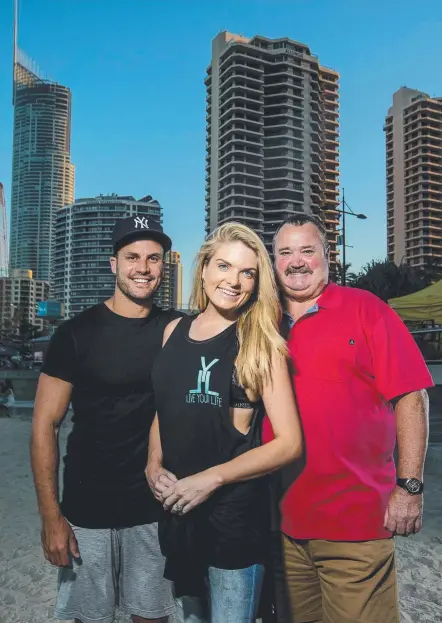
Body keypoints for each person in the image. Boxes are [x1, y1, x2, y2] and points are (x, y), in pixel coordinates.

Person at [264, 213, 434, 623]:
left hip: (356, 523)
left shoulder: (366, 309)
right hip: (279, 525)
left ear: (327, 256)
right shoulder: (262, 324)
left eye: (307, 250)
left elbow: (412, 396)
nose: (297, 261)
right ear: (273, 262)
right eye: (285, 252)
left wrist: (409, 486)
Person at [146, 222, 303, 623]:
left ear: (256, 282)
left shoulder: (258, 341)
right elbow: (165, 408)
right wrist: (153, 463)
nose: (233, 281)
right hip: (179, 513)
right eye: (224, 266)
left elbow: (288, 443)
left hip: (232, 520)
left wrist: (211, 479)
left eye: (247, 272)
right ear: (203, 270)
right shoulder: (172, 331)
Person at [30, 216, 182, 623]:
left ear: (163, 266)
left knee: (152, 616)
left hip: (154, 507)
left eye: (153, 258)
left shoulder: (176, 330)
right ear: (114, 264)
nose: (144, 267)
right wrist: (51, 518)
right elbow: (45, 426)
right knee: (88, 618)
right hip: (86, 509)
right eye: (132, 257)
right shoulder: (76, 334)